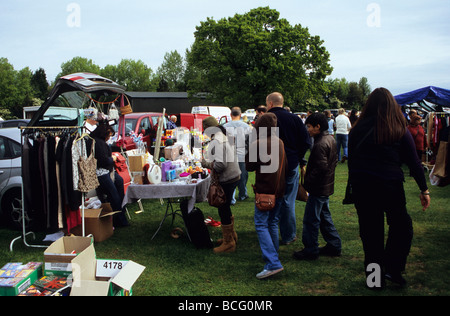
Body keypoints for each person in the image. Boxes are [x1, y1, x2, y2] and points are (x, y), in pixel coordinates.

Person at [348, 87, 430, 288]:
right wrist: (424, 189)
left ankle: (374, 280)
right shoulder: (397, 128)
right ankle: (393, 269)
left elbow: (352, 161)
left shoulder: (357, 129)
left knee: (371, 233)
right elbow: (414, 162)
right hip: (389, 186)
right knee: (402, 227)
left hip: (363, 186)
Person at [293, 113, 341, 260]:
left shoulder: (320, 144)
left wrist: (307, 183)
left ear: (317, 127)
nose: (307, 130)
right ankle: (334, 245)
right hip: (325, 186)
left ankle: (310, 249)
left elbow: (321, 167)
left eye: (309, 126)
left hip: (318, 188)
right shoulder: (329, 140)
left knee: (311, 219)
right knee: (324, 217)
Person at [266, 92, 311, 245]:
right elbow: (306, 141)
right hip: (290, 163)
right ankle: (288, 235)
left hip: (271, 164)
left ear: (270, 104)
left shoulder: (266, 119)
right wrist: (297, 156)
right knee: (287, 200)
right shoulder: (294, 119)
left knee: (271, 197)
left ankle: (271, 229)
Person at [246, 113, 287, 279]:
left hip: (265, 190)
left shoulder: (259, 143)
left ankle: (273, 263)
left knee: (261, 224)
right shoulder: (280, 142)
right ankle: (272, 255)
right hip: (279, 190)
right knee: (272, 223)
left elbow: (249, 166)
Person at [202, 116, 241, 253]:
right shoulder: (224, 135)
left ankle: (229, 243)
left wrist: (205, 163)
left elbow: (220, 165)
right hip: (234, 175)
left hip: (227, 178)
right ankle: (231, 236)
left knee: (223, 208)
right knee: (226, 208)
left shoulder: (217, 141)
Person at [90, 121, 129, 227]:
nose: (109, 137)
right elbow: (103, 161)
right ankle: (120, 220)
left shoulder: (99, 142)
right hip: (102, 173)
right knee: (115, 197)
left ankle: (120, 216)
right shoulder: (98, 143)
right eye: (109, 135)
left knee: (119, 186)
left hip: (107, 172)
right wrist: (113, 158)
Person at [224, 107, 252, 204]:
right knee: (243, 176)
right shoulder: (246, 126)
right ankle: (242, 194)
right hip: (242, 154)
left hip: (229, 155)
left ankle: (231, 197)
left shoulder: (224, 126)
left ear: (231, 115)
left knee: (230, 176)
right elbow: (250, 142)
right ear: (240, 115)